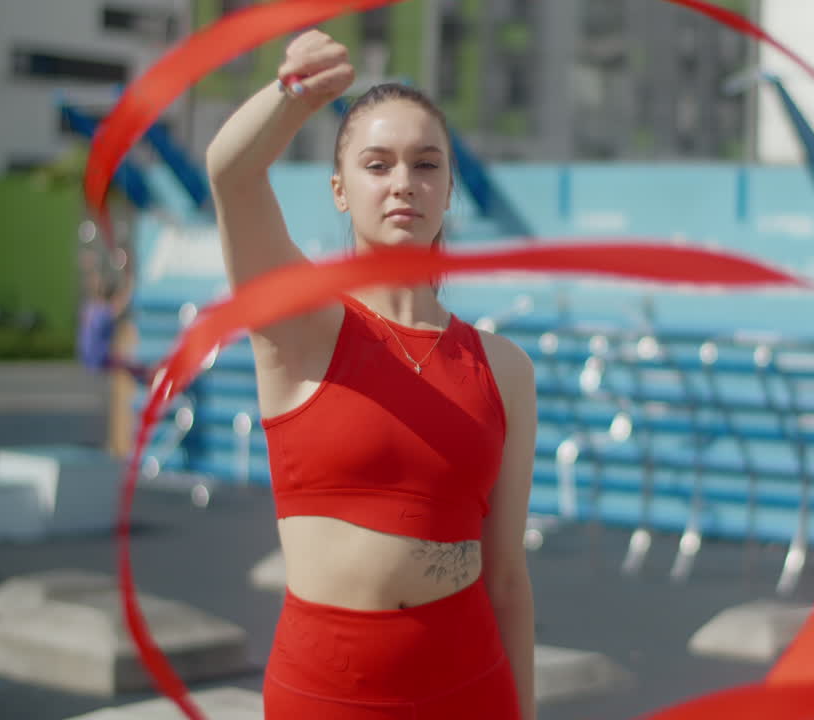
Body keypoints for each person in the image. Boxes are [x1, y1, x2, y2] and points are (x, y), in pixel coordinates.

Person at [205, 29, 537, 720]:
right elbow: (232, 174)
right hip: (326, 694)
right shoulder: (301, 326)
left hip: (471, 688)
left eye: (425, 165)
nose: (402, 184)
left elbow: (506, 575)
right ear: (339, 189)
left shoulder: (503, 368)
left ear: (448, 190)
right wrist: (295, 92)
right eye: (376, 164)